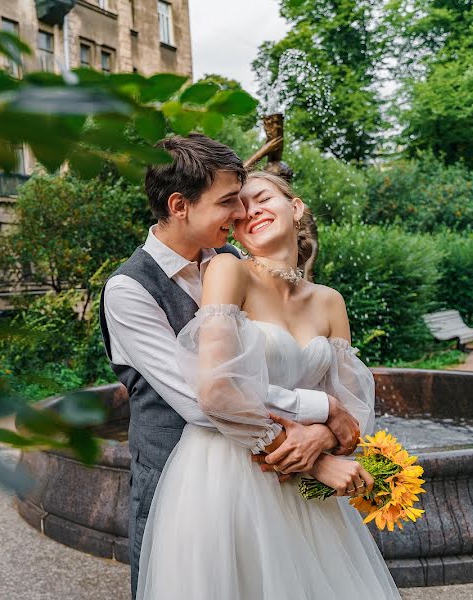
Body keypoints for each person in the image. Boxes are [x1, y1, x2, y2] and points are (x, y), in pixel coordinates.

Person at [100, 134, 363, 599]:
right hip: (184, 485)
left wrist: (324, 432)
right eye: (228, 203)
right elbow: (204, 399)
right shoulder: (129, 291)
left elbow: (284, 348)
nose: (241, 214)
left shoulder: (230, 261)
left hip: (270, 479)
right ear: (180, 205)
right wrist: (319, 416)